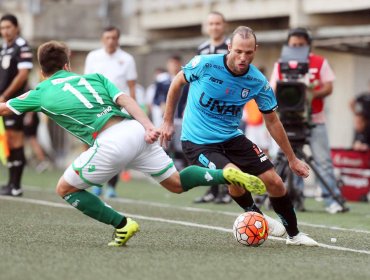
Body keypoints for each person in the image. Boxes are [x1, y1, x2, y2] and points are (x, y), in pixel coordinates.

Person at [0, 40, 267, 247]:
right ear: (68, 64)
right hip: (135, 130)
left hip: (110, 142)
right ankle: (224, 174)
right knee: (175, 183)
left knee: (65, 188)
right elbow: (126, 100)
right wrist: (149, 126)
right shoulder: (95, 77)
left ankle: (122, 224)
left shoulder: (40, 91)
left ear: (41, 70)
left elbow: (4, 109)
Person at [160, 26, 318, 246]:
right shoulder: (205, 64)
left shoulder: (257, 81)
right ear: (229, 48)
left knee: (276, 183)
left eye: (249, 53)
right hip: (198, 142)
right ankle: (256, 215)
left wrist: (292, 159)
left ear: (256, 50)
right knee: (234, 175)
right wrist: (167, 121)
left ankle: (294, 234)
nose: (243, 58)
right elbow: (177, 82)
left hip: (232, 137)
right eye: (238, 52)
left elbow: (272, 120)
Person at [270, 27, 346, 214]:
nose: (297, 48)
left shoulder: (319, 62)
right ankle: (293, 199)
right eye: (293, 45)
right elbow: (272, 89)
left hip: (315, 120)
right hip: (287, 120)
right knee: (291, 159)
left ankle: (331, 201)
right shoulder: (280, 64)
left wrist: (309, 94)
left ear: (308, 45)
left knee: (323, 162)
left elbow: (328, 87)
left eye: (301, 45)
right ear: (288, 45)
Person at [84, 26, 138, 198]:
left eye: (114, 38)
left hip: (118, 109)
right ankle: (96, 182)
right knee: (94, 146)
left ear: (118, 39)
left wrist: (133, 109)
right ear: (102, 39)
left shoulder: (127, 59)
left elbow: (131, 87)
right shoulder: (93, 57)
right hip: (96, 108)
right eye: (107, 37)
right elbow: (86, 83)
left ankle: (112, 186)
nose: (111, 41)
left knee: (115, 148)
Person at [193, 11, 232, 204]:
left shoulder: (231, 48)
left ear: (224, 25)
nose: (215, 27)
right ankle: (212, 189)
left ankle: (228, 189)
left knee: (225, 147)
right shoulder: (201, 49)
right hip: (204, 108)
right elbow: (194, 75)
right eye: (211, 24)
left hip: (225, 107)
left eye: (218, 23)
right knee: (207, 148)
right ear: (206, 27)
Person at [0, 14, 33, 196]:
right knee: (9, 141)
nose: (5, 31)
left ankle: (17, 185)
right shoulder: (5, 47)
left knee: (16, 140)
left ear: (16, 27)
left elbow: (23, 74)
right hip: (4, 102)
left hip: (15, 102)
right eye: (2, 28)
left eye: (8, 27)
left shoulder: (21, 46)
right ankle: (10, 184)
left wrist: (5, 95)